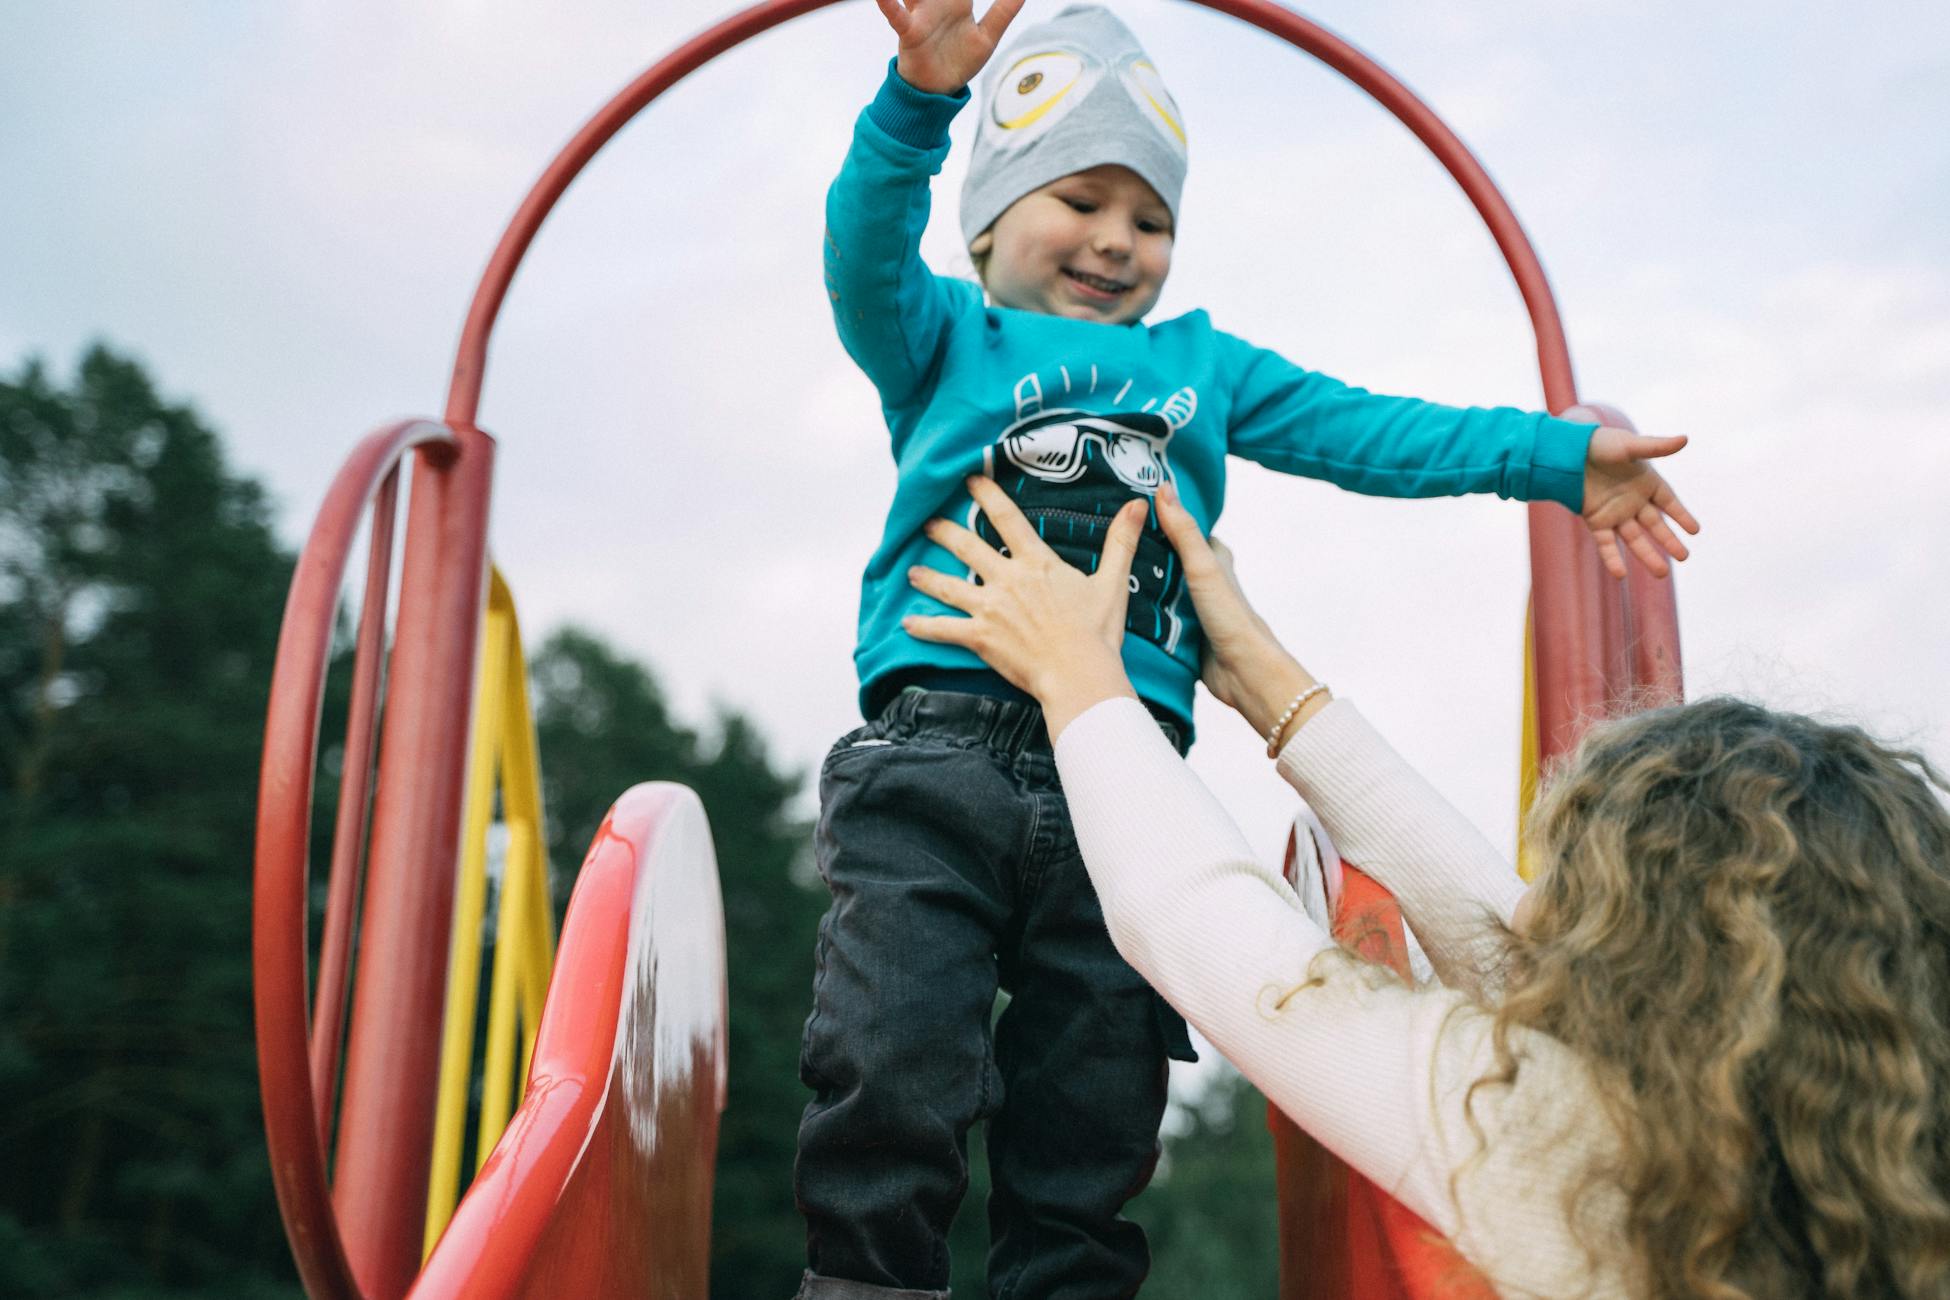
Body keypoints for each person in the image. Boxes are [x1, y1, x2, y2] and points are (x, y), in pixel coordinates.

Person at [799, 1, 1701, 1296]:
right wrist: (918, 102)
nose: (1116, 240)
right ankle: (867, 1286)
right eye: (1079, 200)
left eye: (1148, 217)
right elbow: (860, 252)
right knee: (891, 1055)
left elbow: (1370, 431)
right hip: (933, 758)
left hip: (1120, 777)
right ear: (989, 223)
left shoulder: (1200, 366)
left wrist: (1554, 456)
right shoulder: (944, 337)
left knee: (1096, 1096)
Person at [903, 473, 1950, 1299]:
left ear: (1656, 956)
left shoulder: (1577, 1160)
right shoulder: (1871, 1184)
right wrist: (1270, 682)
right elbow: (1507, 931)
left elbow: (1209, 925)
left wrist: (1074, 673)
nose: (1548, 917)